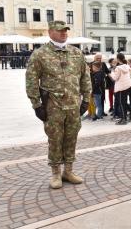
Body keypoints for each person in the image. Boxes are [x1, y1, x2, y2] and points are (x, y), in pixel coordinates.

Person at [26, 20, 91, 189]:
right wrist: (36, 105)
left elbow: (85, 77)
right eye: (59, 31)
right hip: (52, 106)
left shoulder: (76, 53)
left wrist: (86, 100)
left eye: (65, 31)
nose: (64, 33)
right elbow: (31, 80)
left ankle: (68, 171)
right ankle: (55, 173)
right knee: (55, 139)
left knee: (71, 138)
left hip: (73, 105)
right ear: (50, 32)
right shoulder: (40, 54)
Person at [110, 53, 131, 125]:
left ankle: (123, 119)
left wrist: (112, 73)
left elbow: (115, 78)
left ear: (118, 59)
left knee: (121, 103)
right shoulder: (127, 66)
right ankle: (124, 117)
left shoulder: (118, 68)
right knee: (124, 102)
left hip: (120, 88)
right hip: (127, 86)